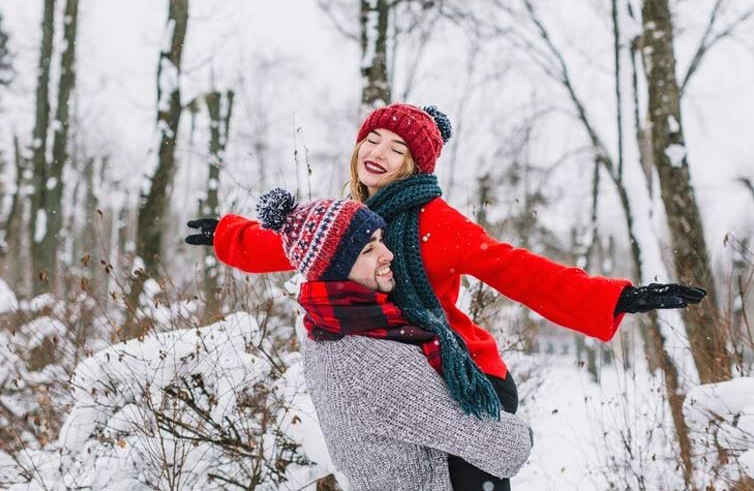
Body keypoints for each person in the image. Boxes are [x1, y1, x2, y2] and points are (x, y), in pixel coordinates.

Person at [186, 103, 706, 491]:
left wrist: (614, 298)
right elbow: (285, 245)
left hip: (464, 379)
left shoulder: (436, 221)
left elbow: (515, 269)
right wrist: (227, 236)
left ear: (416, 165)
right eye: (375, 138)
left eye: (398, 148)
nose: (379, 153)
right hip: (405, 387)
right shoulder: (344, 222)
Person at [250, 188, 533, 490]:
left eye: (380, 240)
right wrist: (523, 434)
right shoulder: (369, 362)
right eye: (368, 250)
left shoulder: (326, 331)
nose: (388, 254)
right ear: (335, 271)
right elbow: (504, 449)